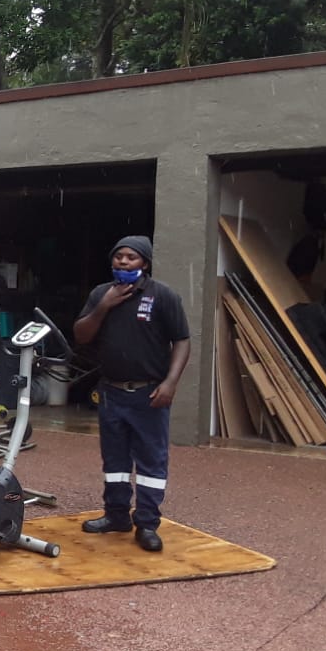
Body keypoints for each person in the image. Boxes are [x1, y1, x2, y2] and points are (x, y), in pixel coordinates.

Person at [74, 235, 190, 552]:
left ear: (145, 263)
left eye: (131, 257)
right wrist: (104, 306)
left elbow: (182, 340)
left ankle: (148, 524)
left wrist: (170, 383)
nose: (123, 262)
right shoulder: (101, 293)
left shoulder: (163, 296)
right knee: (115, 461)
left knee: (152, 462)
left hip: (149, 395)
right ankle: (116, 516)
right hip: (111, 394)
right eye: (119, 257)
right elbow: (82, 335)